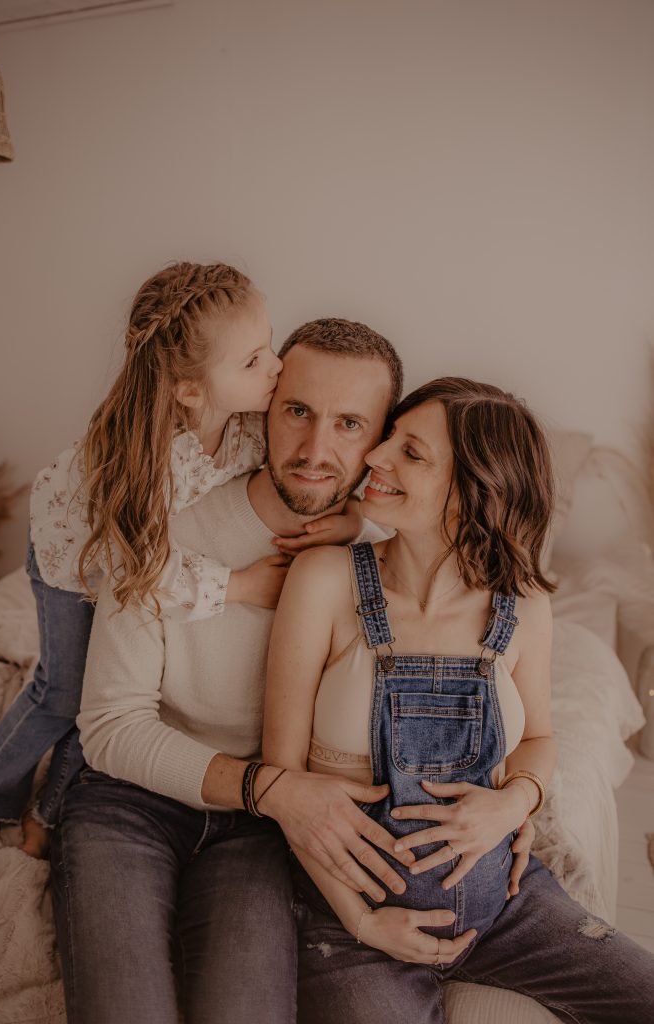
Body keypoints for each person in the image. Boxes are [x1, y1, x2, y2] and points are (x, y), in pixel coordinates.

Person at [53, 320, 523, 1024]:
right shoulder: (161, 524)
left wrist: (517, 801)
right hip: (133, 801)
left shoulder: (392, 547)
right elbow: (111, 726)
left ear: (381, 441)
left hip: (264, 831)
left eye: (350, 424)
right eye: (297, 411)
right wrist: (270, 788)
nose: (314, 450)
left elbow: (488, 696)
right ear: (262, 410)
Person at [263, 376, 654, 1024]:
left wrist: (514, 802)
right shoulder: (325, 579)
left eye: (410, 452)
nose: (375, 456)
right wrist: (361, 921)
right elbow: (282, 777)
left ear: (475, 489)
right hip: (353, 924)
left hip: (504, 910)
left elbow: (539, 740)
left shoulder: (522, 604)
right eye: (389, 437)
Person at [0, 262, 358, 857]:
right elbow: (141, 569)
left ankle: (49, 809)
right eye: (253, 361)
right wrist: (239, 587)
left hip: (126, 549)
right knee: (63, 692)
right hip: (72, 555)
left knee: (101, 685)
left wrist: (352, 517)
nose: (276, 368)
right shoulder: (147, 463)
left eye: (269, 345)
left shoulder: (248, 422)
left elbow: (320, 469)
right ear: (191, 390)